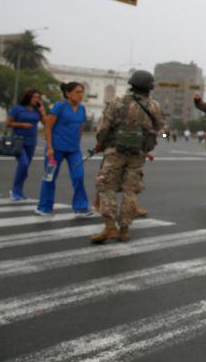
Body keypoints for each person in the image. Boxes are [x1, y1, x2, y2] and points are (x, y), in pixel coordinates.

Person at [90, 70, 164, 243]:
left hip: (115, 151)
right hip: (138, 153)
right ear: (149, 88)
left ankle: (110, 226)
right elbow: (159, 126)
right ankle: (124, 229)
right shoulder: (154, 106)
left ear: (131, 85)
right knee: (130, 190)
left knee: (106, 186)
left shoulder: (117, 102)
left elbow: (103, 128)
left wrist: (101, 143)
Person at [36, 82, 95, 217]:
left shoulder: (82, 109)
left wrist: (77, 144)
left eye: (82, 92)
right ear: (68, 93)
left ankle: (80, 208)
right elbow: (48, 127)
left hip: (73, 150)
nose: (80, 95)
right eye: (77, 92)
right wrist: (49, 147)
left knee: (78, 176)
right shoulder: (60, 106)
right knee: (49, 178)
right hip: (55, 149)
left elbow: (80, 128)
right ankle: (44, 207)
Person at [6, 88, 46, 200]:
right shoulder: (17, 108)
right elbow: (8, 123)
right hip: (18, 140)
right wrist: (22, 124)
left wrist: (42, 110)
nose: (36, 99)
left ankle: (19, 190)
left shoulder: (37, 110)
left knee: (25, 167)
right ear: (28, 97)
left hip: (32, 141)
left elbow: (45, 123)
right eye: (34, 97)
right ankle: (14, 190)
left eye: (38, 97)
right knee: (23, 164)